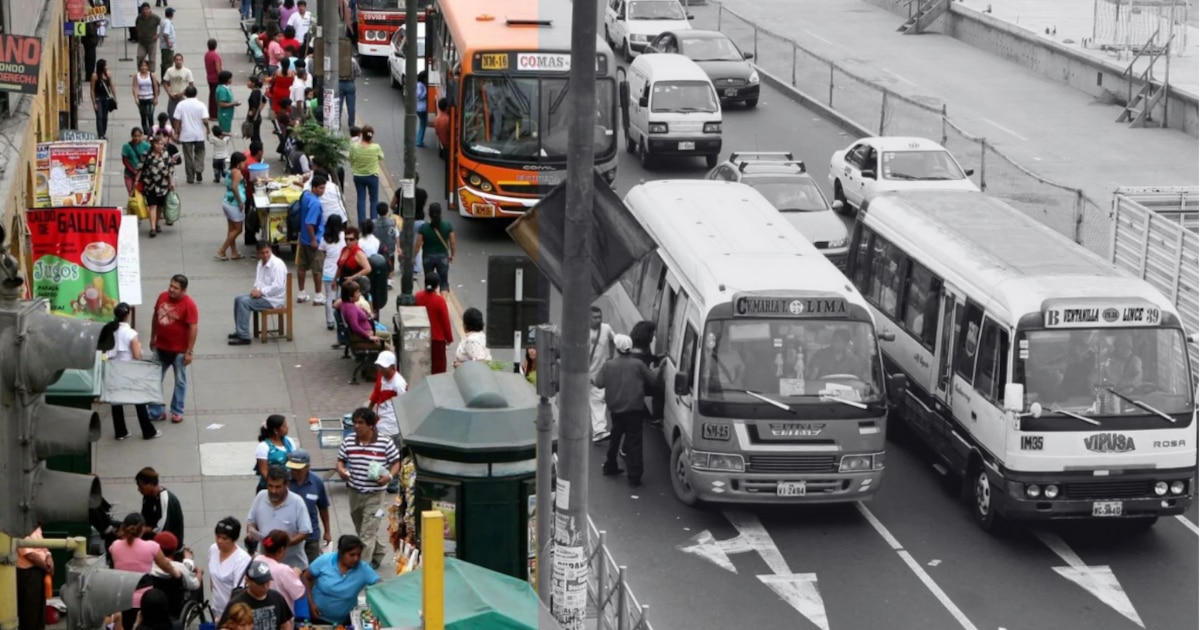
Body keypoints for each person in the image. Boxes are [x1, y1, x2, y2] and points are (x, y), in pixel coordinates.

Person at [335, 408, 400, 569]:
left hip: (376, 495)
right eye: (355, 422)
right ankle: (379, 551)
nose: (356, 426)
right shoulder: (349, 441)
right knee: (361, 528)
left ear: (371, 425)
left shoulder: (385, 442)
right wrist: (342, 470)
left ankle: (360, 568)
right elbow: (340, 460)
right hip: (354, 492)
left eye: (361, 423)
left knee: (366, 533)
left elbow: (396, 462)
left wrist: (389, 477)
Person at [594, 334, 660, 487]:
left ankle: (610, 465)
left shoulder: (608, 365)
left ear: (617, 349)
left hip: (616, 410)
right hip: (635, 409)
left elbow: (598, 383)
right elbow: (653, 381)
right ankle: (634, 475)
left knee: (615, 438)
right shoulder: (638, 364)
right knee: (634, 442)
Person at [110, 513, 183, 630]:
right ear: (142, 528)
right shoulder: (151, 547)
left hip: (121, 599)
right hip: (143, 601)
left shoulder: (114, 546)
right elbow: (166, 565)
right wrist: (176, 573)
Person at [102, 304, 161, 440]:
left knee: (116, 402)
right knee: (139, 401)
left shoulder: (109, 329)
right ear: (127, 315)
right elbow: (137, 355)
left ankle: (121, 431)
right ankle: (148, 431)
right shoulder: (130, 334)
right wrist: (139, 348)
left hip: (113, 369)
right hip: (129, 370)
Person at [149, 274, 198, 423]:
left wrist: (189, 351)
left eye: (175, 288)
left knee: (180, 382)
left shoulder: (189, 304)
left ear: (184, 290)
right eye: (171, 286)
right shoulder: (162, 297)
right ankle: (156, 411)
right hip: (161, 348)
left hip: (179, 352)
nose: (171, 289)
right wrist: (153, 337)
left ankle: (177, 411)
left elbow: (193, 328)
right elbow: (155, 317)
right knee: (154, 379)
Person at [246, 467, 313, 570]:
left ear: (286, 485)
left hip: (292, 567)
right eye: (270, 486)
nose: (273, 491)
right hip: (265, 566)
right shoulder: (260, 496)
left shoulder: (297, 502)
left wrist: (282, 544)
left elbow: (304, 532)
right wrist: (251, 532)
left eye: (278, 487)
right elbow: (251, 521)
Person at [303, 535, 380, 625]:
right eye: (352, 555)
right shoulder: (325, 561)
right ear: (341, 553)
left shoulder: (363, 569)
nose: (356, 559)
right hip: (316, 618)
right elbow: (306, 577)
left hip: (343, 622)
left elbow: (380, 585)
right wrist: (310, 603)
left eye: (358, 555)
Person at [230, 241, 288, 345]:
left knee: (244, 302)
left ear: (271, 251)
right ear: (258, 253)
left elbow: (278, 286)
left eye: (267, 252)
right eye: (262, 253)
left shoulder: (277, 264)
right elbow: (259, 281)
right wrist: (255, 289)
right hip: (263, 296)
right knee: (238, 298)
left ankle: (244, 336)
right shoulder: (260, 264)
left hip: (273, 299)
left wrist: (261, 292)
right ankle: (240, 330)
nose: (265, 255)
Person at [367, 350, 407, 490]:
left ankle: (394, 482)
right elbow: (376, 393)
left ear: (392, 367)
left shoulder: (399, 384)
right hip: (380, 422)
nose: (380, 370)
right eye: (379, 367)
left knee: (393, 455)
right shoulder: (381, 376)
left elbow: (404, 406)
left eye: (383, 368)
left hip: (393, 426)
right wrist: (369, 410)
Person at [216, 561, 294, 630]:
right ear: (247, 580)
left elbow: (286, 624)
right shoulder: (236, 604)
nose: (265, 587)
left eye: (267, 582)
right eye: (260, 583)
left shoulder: (277, 597)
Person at [286, 450, 332, 564]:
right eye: (292, 468)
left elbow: (323, 508)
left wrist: (327, 531)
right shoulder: (284, 481)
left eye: (298, 469)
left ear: (307, 467)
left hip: (311, 536)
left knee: (311, 570)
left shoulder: (317, 482)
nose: (294, 471)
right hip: (290, 536)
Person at [208, 517, 252, 619]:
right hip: (216, 608)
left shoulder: (242, 560)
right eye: (218, 537)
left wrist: (226, 617)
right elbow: (212, 578)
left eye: (224, 539)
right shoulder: (213, 549)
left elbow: (237, 594)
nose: (219, 541)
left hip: (232, 613)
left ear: (233, 540)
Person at [253, 531, 306, 613]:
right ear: (281, 550)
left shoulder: (256, 560)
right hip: (280, 617)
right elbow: (300, 595)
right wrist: (296, 575)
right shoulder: (283, 570)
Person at [296, 173, 328, 304]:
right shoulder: (315, 203)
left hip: (303, 238)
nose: (323, 191)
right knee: (317, 269)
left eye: (324, 188)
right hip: (313, 240)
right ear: (314, 188)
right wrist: (314, 240)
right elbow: (310, 223)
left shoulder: (305, 195)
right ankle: (318, 295)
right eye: (320, 188)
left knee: (302, 267)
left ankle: (301, 293)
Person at [587, 306, 616, 442]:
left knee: (597, 400)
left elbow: (613, 340)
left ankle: (598, 431)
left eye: (599, 317)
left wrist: (611, 355)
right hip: (583, 373)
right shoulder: (580, 331)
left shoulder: (606, 329)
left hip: (599, 373)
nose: (598, 320)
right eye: (594, 317)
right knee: (585, 402)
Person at [414, 272, 452, 374]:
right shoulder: (439, 301)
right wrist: (449, 338)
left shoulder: (418, 296)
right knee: (438, 369)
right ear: (437, 285)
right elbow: (445, 321)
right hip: (437, 340)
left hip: (421, 336)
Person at [136, 133, 174, 237]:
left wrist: (171, 182)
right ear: (153, 144)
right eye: (157, 144)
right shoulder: (146, 154)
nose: (159, 146)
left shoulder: (166, 154)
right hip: (150, 184)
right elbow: (140, 168)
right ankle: (152, 228)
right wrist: (136, 180)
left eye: (161, 144)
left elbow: (170, 169)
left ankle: (156, 224)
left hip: (163, 185)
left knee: (159, 207)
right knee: (152, 205)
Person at [16, 527, 52, 630]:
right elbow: (30, 555)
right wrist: (47, 567)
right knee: (29, 614)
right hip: (27, 573)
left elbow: (42, 544)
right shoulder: (17, 526)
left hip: (39, 571)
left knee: (39, 612)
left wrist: (49, 556)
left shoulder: (34, 524)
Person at [414, 203, 455, 293]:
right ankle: (443, 303)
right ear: (440, 213)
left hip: (428, 257)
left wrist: (413, 257)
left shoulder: (424, 228)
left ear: (429, 214)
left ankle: (430, 302)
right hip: (442, 257)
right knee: (444, 282)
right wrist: (452, 255)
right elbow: (452, 242)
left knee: (429, 281)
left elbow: (418, 244)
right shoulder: (447, 226)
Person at [136, 467, 185, 543]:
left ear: (150, 484)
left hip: (168, 546)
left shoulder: (165, 499)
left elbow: (161, 528)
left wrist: (144, 529)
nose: (139, 490)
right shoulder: (147, 497)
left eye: (141, 487)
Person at [173, 85, 210, 184]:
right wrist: (208, 129)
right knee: (200, 153)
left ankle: (190, 176)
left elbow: (177, 120)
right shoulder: (201, 105)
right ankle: (198, 169)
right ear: (196, 94)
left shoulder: (181, 105)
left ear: (185, 94)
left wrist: (176, 132)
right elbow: (205, 120)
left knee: (188, 156)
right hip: (199, 135)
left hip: (186, 135)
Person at [349, 126, 385, 227]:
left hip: (358, 176)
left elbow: (350, 158)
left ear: (361, 135)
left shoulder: (354, 146)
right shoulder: (376, 147)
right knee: (374, 200)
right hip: (372, 176)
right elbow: (381, 157)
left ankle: (362, 224)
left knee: (361, 199)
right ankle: (373, 223)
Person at [216, 151, 248, 261]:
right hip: (234, 204)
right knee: (238, 229)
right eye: (244, 163)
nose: (245, 165)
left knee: (231, 229)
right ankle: (222, 250)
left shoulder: (230, 171)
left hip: (227, 202)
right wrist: (240, 202)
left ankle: (234, 252)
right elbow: (235, 187)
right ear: (239, 163)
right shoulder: (237, 172)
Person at [255, 415, 297, 491]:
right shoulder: (263, 447)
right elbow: (264, 470)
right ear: (275, 430)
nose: (287, 427)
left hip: (288, 486)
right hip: (269, 488)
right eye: (284, 426)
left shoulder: (289, 441)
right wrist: (274, 486)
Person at [319, 215, 347, 330]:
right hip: (341, 270)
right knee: (342, 297)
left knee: (329, 297)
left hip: (328, 271)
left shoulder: (325, 238)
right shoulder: (344, 236)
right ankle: (341, 320)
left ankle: (330, 322)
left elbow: (324, 253)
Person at [162, 53, 195, 120]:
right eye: (176, 60)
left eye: (180, 60)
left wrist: (183, 93)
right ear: (174, 61)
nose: (178, 61)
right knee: (171, 115)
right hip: (172, 96)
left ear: (182, 61)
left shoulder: (187, 71)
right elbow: (165, 83)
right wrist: (169, 93)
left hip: (183, 97)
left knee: (183, 116)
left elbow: (191, 84)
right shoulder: (169, 70)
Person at [91, 59, 118, 140]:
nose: (107, 67)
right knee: (99, 116)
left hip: (106, 98)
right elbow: (92, 90)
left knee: (105, 117)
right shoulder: (95, 76)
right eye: (105, 65)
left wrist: (115, 97)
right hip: (98, 98)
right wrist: (94, 102)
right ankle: (100, 134)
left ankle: (103, 132)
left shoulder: (108, 75)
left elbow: (111, 86)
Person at [132, 60, 159, 136]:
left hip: (150, 97)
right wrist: (136, 98)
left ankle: (151, 132)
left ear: (148, 67)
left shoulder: (151, 75)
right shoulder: (136, 76)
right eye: (142, 66)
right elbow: (135, 87)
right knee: (143, 116)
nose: (143, 67)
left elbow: (155, 86)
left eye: (145, 66)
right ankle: (146, 132)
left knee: (150, 115)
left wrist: (156, 97)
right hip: (141, 98)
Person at [123, 127, 151, 197]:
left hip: (142, 174)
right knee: (131, 193)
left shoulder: (147, 146)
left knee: (141, 194)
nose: (137, 138)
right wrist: (133, 170)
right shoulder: (126, 146)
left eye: (139, 136)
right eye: (135, 136)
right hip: (129, 173)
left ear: (142, 136)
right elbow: (125, 160)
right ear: (132, 136)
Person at [134, 3, 161, 71]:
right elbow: (136, 25)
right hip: (142, 42)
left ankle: (151, 74)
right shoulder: (139, 17)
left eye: (147, 9)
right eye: (143, 9)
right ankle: (140, 72)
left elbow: (163, 26)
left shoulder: (155, 18)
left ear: (149, 9)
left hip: (152, 42)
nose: (145, 11)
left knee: (152, 59)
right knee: (139, 57)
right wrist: (139, 34)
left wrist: (158, 35)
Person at [214, 71, 240, 137]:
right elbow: (221, 104)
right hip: (224, 114)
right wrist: (233, 104)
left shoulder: (226, 88)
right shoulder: (222, 90)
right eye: (230, 78)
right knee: (225, 132)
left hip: (228, 114)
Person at [205, 39, 223, 116]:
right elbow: (218, 68)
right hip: (216, 79)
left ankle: (211, 112)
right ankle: (214, 114)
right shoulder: (215, 55)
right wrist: (222, 77)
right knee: (215, 97)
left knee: (212, 96)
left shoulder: (207, 54)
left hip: (209, 77)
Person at [158, 7, 177, 79]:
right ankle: (166, 79)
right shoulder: (168, 23)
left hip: (163, 46)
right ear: (172, 15)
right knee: (168, 63)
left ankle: (163, 78)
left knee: (164, 63)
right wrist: (168, 42)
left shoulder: (163, 21)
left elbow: (161, 32)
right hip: (167, 47)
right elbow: (166, 33)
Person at [246, 76, 265, 145]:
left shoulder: (254, 94)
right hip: (258, 117)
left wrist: (252, 113)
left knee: (254, 137)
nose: (247, 83)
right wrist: (259, 110)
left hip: (254, 119)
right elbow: (264, 101)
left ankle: (257, 149)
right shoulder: (258, 91)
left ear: (253, 84)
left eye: (249, 82)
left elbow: (254, 106)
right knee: (256, 135)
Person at [415, 70, 429, 147]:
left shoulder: (419, 84)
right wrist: (426, 93)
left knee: (422, 125)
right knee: (423, 125)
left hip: (419, 108)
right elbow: (420, 96)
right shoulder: (420, 85)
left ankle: (419, 140)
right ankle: (419, 141)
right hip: (422, 108)